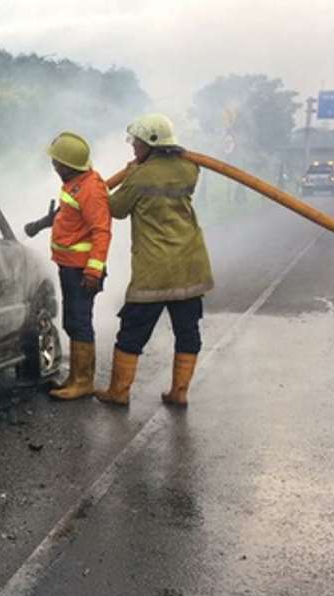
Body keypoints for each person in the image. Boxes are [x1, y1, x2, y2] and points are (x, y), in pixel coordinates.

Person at [95, 113, 214, 408]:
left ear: (151, 143)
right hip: (190, 264)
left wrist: (121, 177)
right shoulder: (190, 169)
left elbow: (117, 209)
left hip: (154, 269)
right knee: (188, 331)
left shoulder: (141, 176)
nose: (133, 146)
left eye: (136, 142)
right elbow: (187, 169)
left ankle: (119, 392)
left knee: (132, 331)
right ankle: (180, 392)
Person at [24, 132, 111, 400]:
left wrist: (93, 271)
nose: (54, 167)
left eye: (57, 163)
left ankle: (83, 382)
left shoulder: (90, 190)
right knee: (73, 322)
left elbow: (101, 232)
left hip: (82, 272)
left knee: (80, 322)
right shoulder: (75, 184)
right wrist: (40, 225)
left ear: (69, 165)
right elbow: (66, 217)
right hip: (70, 267)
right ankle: (75, 377)